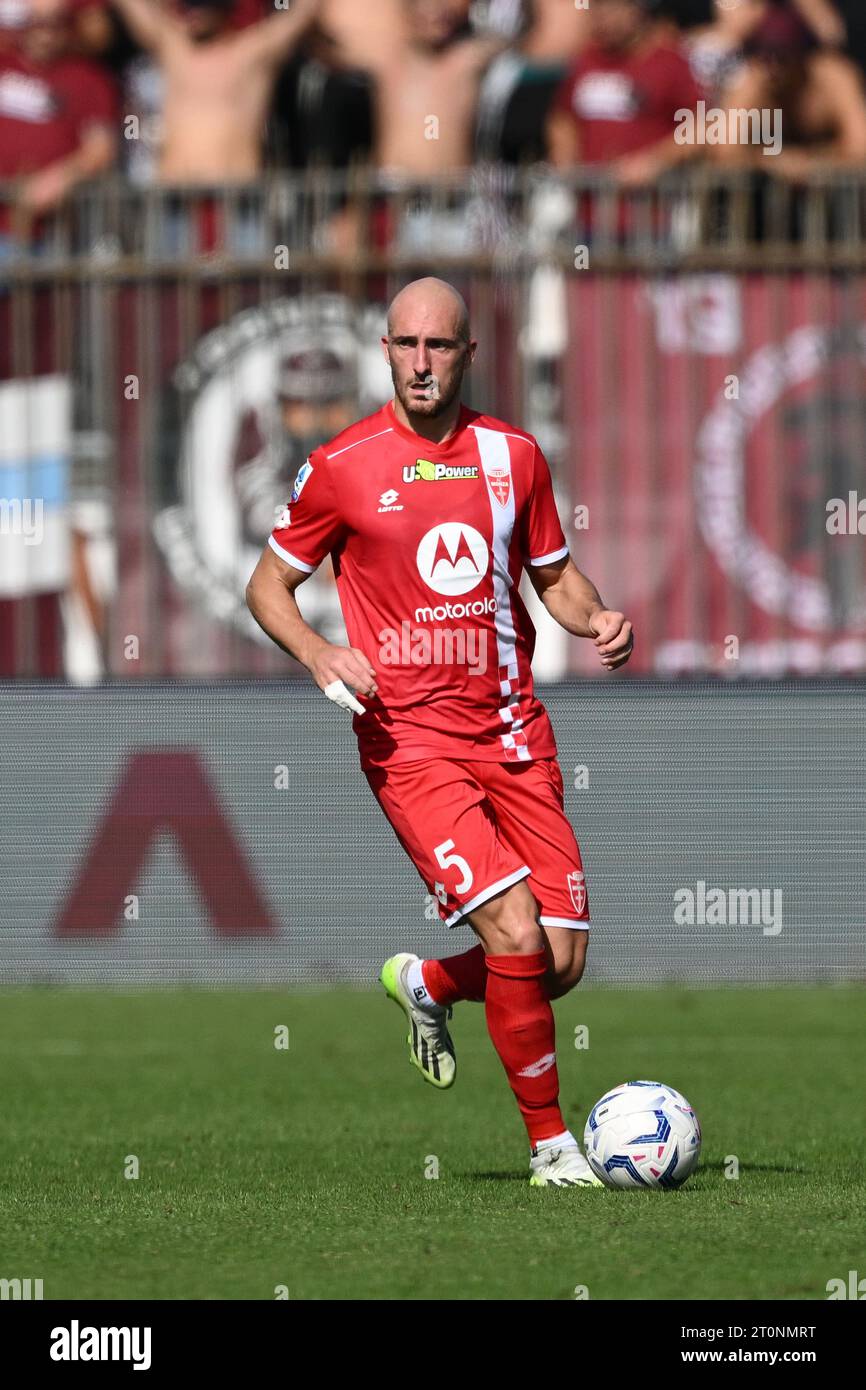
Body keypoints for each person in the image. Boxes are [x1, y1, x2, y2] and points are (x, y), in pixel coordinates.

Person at [246, 277, 635, 1187]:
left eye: (441, 347)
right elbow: (267, 587)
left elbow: (558, 580)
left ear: (466, 355)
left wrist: (599, 618)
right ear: (385, 352)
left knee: (560, 959)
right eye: (407, 346)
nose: (422, 364)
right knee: (513, 929)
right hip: (410, 742)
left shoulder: (515, 457)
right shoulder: (341, 466)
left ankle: (428, 983)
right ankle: (551, 1148)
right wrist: (318, 654)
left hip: (512, 731)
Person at [110, 0, 318, 182]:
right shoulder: (175, 49)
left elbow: (301, 14)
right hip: (175, 200)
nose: (193, 13)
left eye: (201, 6)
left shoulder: (251, 54)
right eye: (189, 5)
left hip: (235, 203)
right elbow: (133, 7)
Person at [0, 0, 117, 252]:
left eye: (55, 25)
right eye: (36, 24)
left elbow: (101, 149)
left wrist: (60, 178)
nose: (45, 33)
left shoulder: (89, 79)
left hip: (54, 231)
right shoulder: (3, 65)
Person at [547, 0, 704, 186]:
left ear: (637, 10)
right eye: (598, 9)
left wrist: (655, 161)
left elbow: (700, 127)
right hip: (592, 199)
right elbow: (563, 117)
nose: (604, 18)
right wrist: (565, 163)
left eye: (613, 8)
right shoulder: (583, 60)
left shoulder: (670, 63)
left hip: (648, 204)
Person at [714, 5, 866, 180]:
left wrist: (811, 161)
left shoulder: (833, 78)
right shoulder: (753, 81)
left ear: (801, 54)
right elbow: (724, 150)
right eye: (765, 56)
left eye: (781, 56)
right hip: (767, 196)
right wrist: (774, 161)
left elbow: (860, 148)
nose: (773, 66)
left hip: (831, 194)